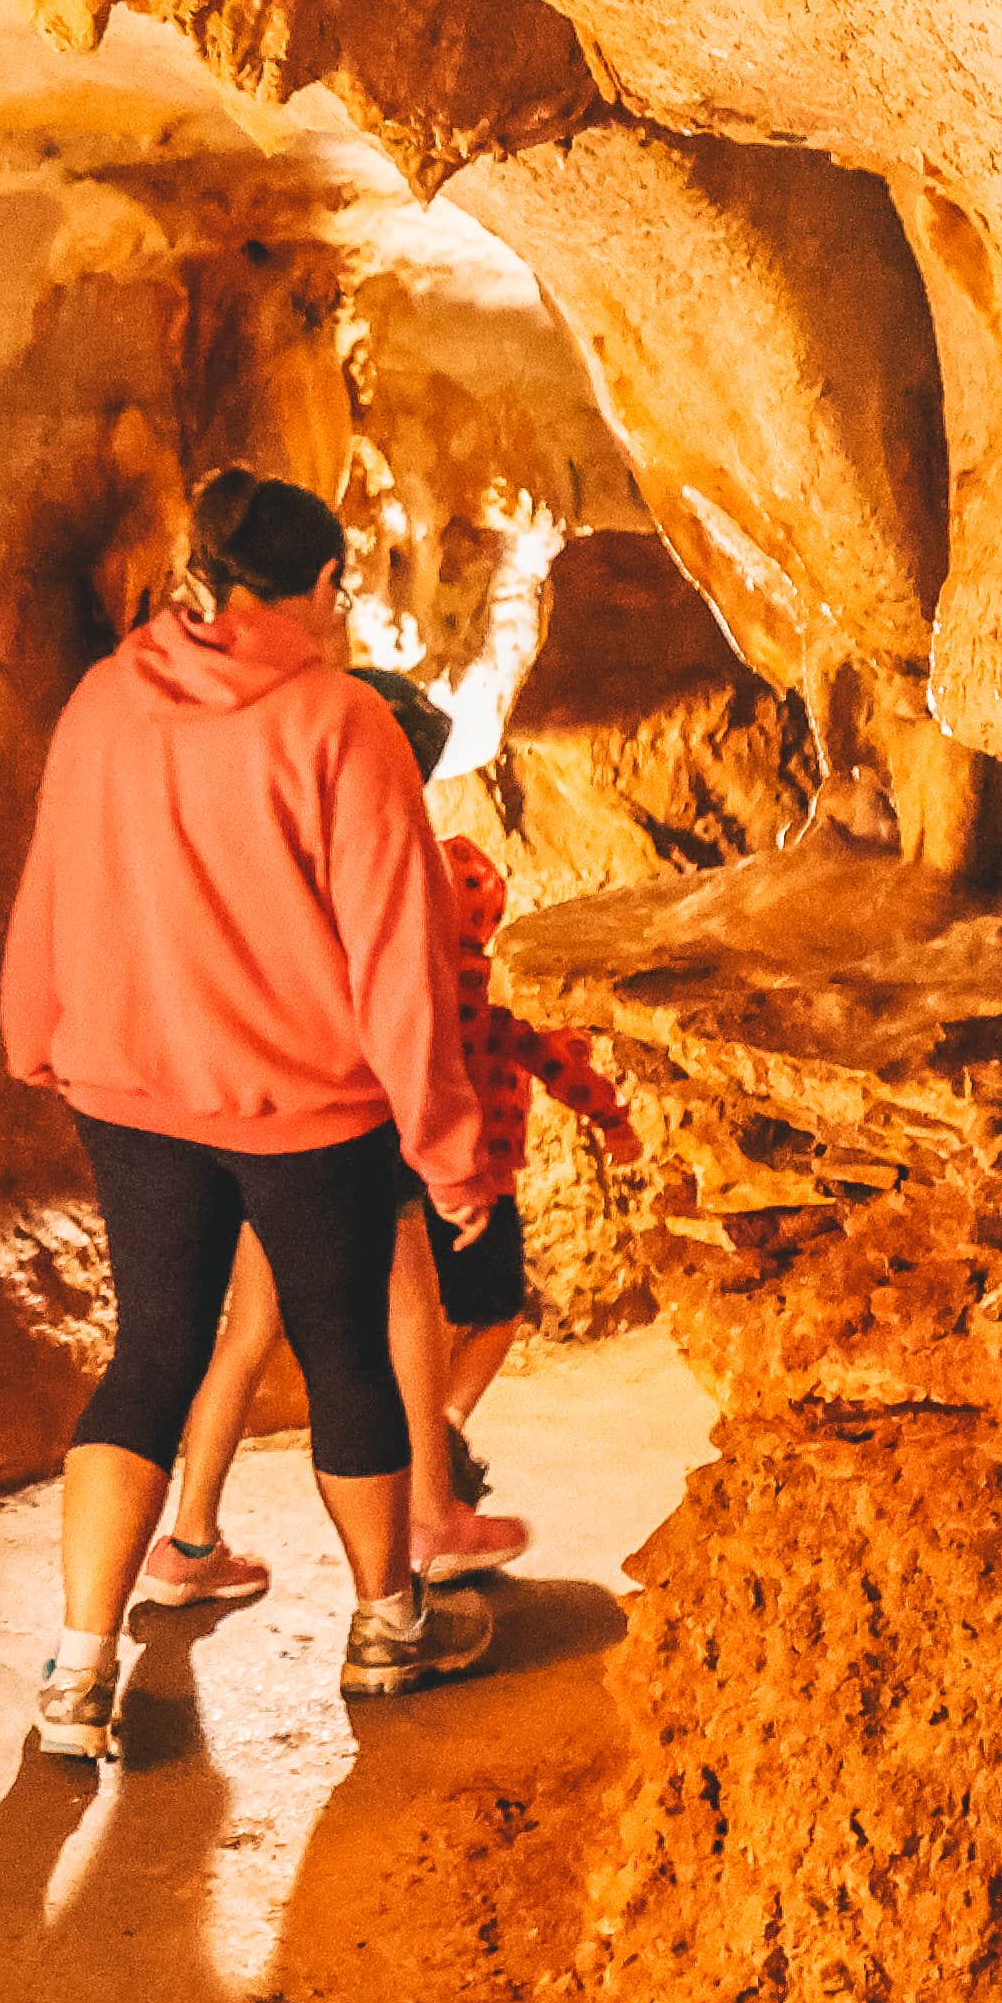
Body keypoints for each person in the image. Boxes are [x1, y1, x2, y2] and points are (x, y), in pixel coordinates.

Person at [0, 469, 509, 1760]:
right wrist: (451, 1156)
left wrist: (35, 1031)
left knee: (152, 1352)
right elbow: (400, 961)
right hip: (306, 1105)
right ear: (328, 587)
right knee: (344, 1354)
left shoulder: (107, 695)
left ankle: (77, 1668)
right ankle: (389, 1625)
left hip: (132, 1087)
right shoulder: (343, 725)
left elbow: (52, 873)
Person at [145, 668, 628, 1593]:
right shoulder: (406, 861)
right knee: (409, 1309)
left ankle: (190, 1543)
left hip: (256, 1113)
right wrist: (446, 1149)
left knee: (249, 1327)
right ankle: (431, 1523)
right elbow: (418, 1010)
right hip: (358, 1117)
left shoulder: (272, 847)